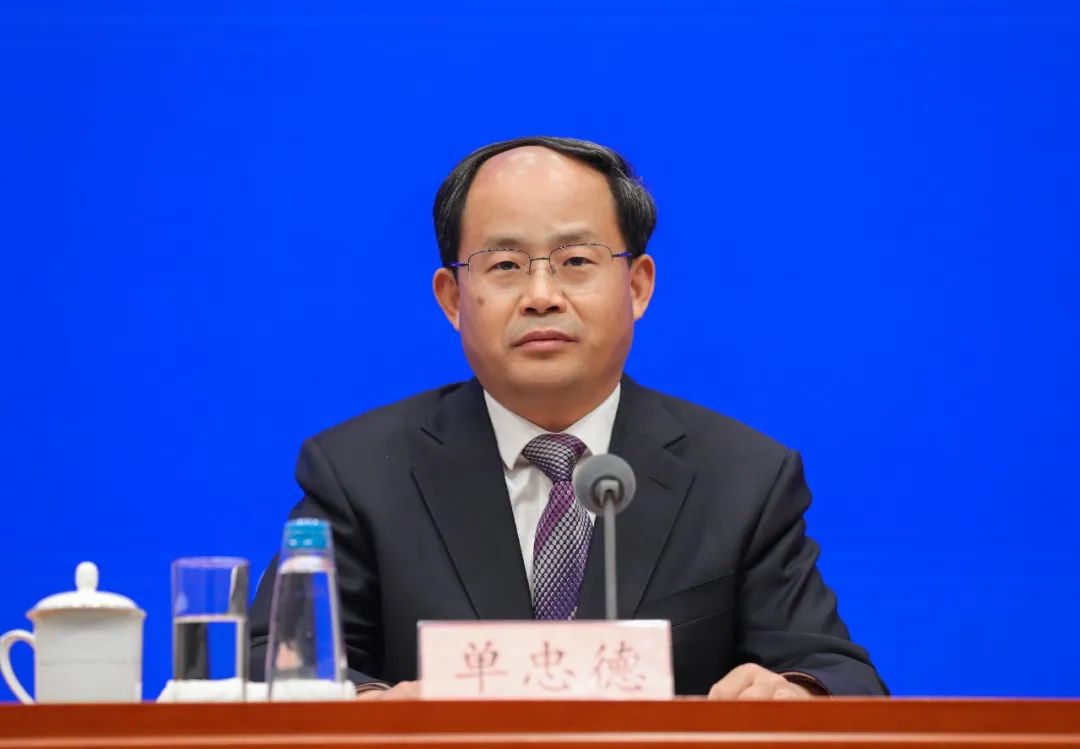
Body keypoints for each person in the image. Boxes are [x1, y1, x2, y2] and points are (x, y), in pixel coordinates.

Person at [249, 136, 887, 699]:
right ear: (452, 298)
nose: (541, 295)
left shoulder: (742, 477)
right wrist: (370, 704)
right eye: (504, 265)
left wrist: (796, 692)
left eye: (576, 261)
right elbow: (270, 664)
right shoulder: (360, 474)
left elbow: (838, 674)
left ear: (637, 286)